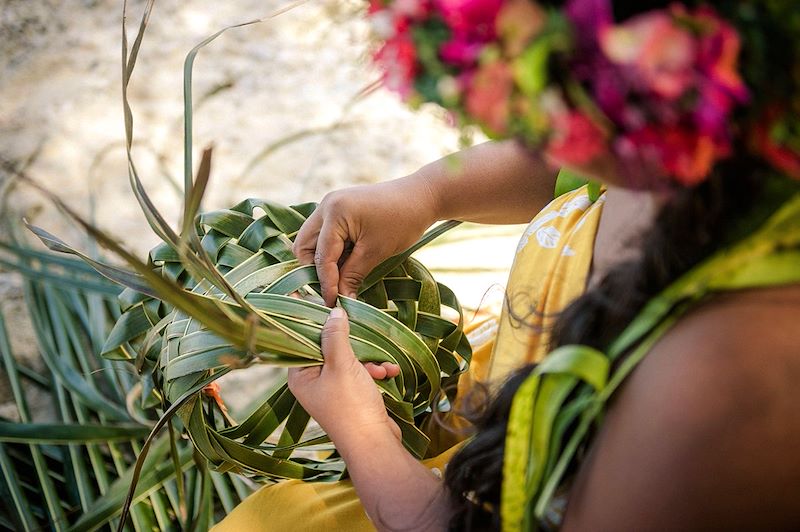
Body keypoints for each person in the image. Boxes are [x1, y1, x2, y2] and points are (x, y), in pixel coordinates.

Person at [215, 1, 800, 529]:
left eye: (554, 108)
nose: (536, 137)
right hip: (502, 403)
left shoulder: (726, 387)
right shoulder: (680, 135)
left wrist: (364, 436)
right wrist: (425, 195)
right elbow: (560, 167)